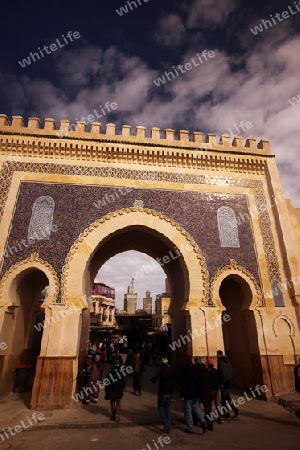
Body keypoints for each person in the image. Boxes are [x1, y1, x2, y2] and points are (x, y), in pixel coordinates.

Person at [180, 355, 207, 434]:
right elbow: (200, 381)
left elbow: (182, 383)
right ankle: (202, 420)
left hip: (188, 393)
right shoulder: (196, 368)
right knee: (196, 407)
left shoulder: (184, 369)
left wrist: (182, 394)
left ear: (185, 361)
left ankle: (190, 428)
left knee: (187, 410)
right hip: (196, 392)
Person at [151, 357, 174, 433]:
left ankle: (165, 423)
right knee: (167, 409)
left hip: (162, 392)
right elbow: (177, 378)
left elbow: (155, 380)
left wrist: (152, 380)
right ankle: (168, 428)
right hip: (169, 392)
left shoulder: (160, 370)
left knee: (160, 408)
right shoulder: (171, 370)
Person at [217, 350, 239, 419]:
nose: (217, 355)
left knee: (223, 400)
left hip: (223, 383)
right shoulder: (227, 361)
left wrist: (222, 382)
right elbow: (231, 370)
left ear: (220, 354)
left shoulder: (220, 362)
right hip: (228, 381)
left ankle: (227, 414)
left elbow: (221, 372)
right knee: (227, 397)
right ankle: (235, 409)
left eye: (217, 354)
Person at [207, 359, 223, 424]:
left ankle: (210, 418)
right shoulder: (216, 371)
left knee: (210, 404)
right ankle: (220, 417)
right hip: (217, 389)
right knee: (218, 404)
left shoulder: (208, 373)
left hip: (211, 390)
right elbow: (220, 378)